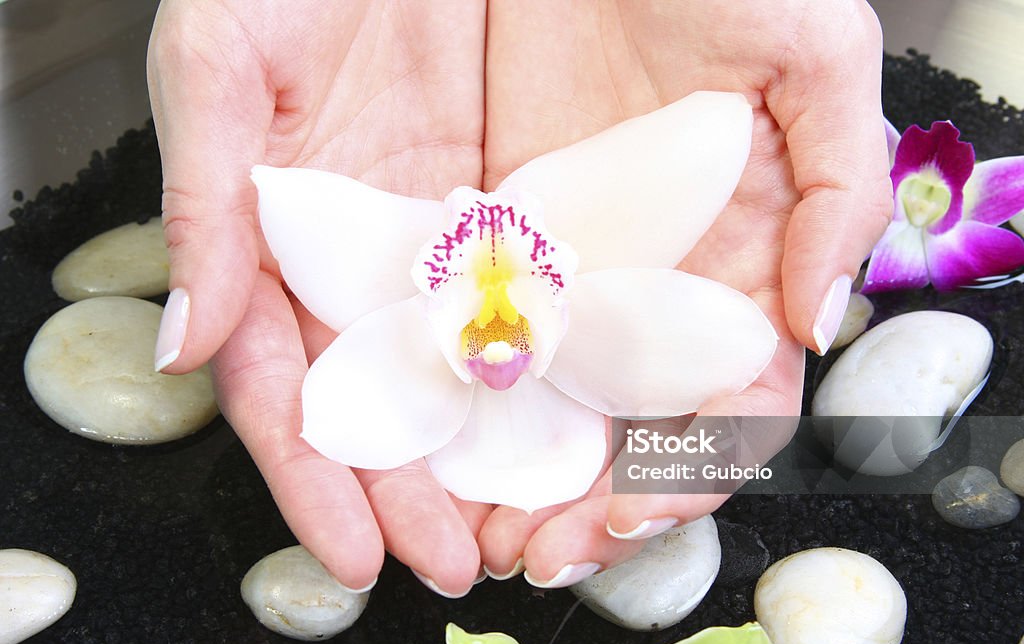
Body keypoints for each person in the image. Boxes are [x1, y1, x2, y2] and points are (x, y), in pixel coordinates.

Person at [146, 0, 893, 597]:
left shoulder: (620, 313)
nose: (498, 318)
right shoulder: (378, 325)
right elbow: (336, 400)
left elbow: (719, 327)